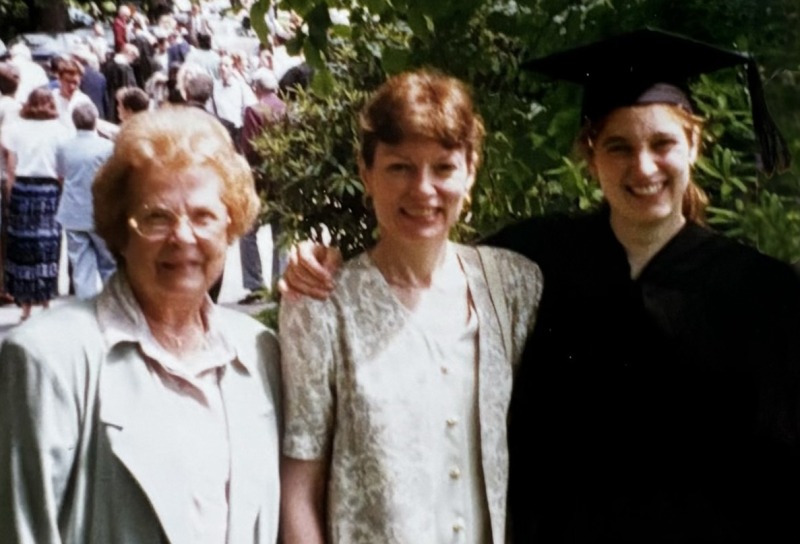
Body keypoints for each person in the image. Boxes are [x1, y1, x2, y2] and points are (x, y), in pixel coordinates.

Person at [279, 29, 800, 542]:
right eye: (618, 146)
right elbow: (422, 245)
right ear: (591, 154)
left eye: (662, 143)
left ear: (693, 144)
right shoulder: (537, 259)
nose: (643, 167)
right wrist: (319, 262)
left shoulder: (762, 295)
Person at [279, 69, 543, 544]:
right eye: (400, 167)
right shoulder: (321, 304)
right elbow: (299, 488)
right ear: (366, 172)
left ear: (471, 171)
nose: (423, 190)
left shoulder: (514, 286)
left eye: (443, 168)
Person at [0, 107, 282, 543]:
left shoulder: (258, 350)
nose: (183, 237)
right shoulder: (47, 357)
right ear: (120, 230)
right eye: (157, 217)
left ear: (231, 225)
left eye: (204, 216)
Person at [0, 88, 71, 321]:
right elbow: (62, 170)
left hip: (23, 188)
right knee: (47, 246)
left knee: (22, 247)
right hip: (48, 189)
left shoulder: (15, 129)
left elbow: (11, 167)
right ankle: (47, 301)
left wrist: (11, 193)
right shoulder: (60, 131)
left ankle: (25, 307)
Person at [55, 102, 116, 299]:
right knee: (108, 263)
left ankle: (86, 306)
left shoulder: (65, 146)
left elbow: (61, 175)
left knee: (80, 266)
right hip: (100, 212)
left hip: (73, 210)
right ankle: (111, 304)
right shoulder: (107, 147)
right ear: (95, 121)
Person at [238, 67, 287, 303]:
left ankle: (255, 284)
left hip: (260, 181)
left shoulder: (254, 111)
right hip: (285, 178)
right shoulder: (289, 109)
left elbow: (249, 148)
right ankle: (280, 284)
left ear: (256, 87)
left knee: (247, 232)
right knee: (281, 233)